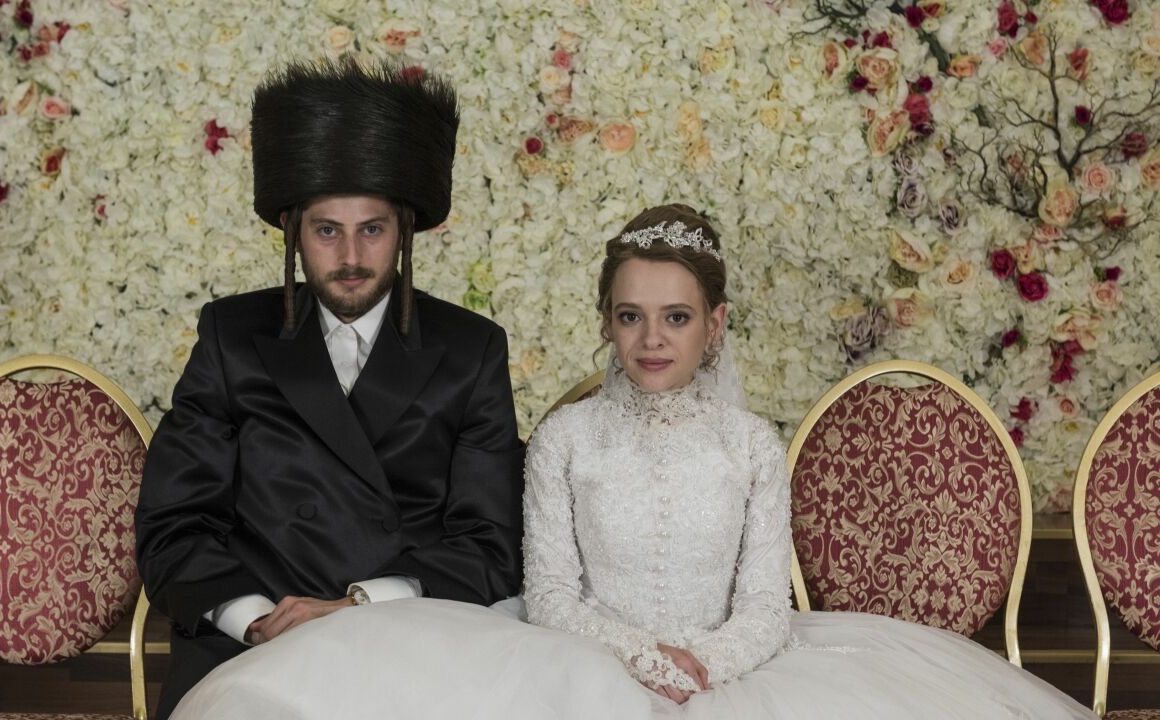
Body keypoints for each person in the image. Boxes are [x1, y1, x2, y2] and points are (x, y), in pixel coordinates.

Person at [167, 204, 1095, 720]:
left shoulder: (751, 445)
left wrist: (701, 665)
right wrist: (642, 660)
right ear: (607, 324)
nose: (652, 339)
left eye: (676, 318)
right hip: (586, 662)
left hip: (737, 671)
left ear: (714, 326)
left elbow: (765, 604)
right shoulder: (567, 440)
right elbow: (550, 591)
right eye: (631, 317)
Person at [134, 58, 525, 720]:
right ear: (293, 230)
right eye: (327, 230)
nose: (350, 257)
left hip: (415, 640)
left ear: (403, 231)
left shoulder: (472, 349)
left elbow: (490, 544)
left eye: (371, 229)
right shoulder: (230, 336)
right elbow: (174, 523)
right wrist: (258, 621)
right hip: (249, 647)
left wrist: (359, 607)